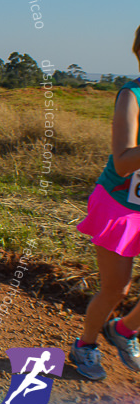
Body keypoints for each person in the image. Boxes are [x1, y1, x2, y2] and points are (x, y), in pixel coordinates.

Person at [69, 25, 140, 381]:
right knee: (116, 287)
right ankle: (85, 345)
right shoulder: (131, 95)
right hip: (120, 205)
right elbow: (125, 159)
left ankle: (124, 330)